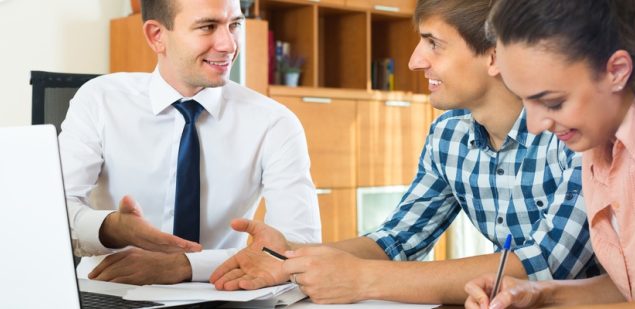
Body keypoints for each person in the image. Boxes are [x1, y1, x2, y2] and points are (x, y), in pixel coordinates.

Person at [209, 0, 601, 304]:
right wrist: (292, 256)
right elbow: (399, 239)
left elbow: (548, 264)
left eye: (433, 43)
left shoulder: (575, 130)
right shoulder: (449, 135)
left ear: (495, 55)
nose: (415, 59)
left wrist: (361, 280)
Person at [59, 0, 321, 285]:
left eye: (235, 25)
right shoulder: (99, 100)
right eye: (207, 27)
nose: (228, 44)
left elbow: (298, 244)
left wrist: (187, 265)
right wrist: (111, 228)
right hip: (110, 289)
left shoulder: (274, 122)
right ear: (157, 36)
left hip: (224, 291)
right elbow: (53, 211)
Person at [464, 0, 635, 308]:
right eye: (525, 100)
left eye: (553, 102)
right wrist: (541, 294)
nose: (534, 125)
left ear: (617, 71)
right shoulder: (597, 143)